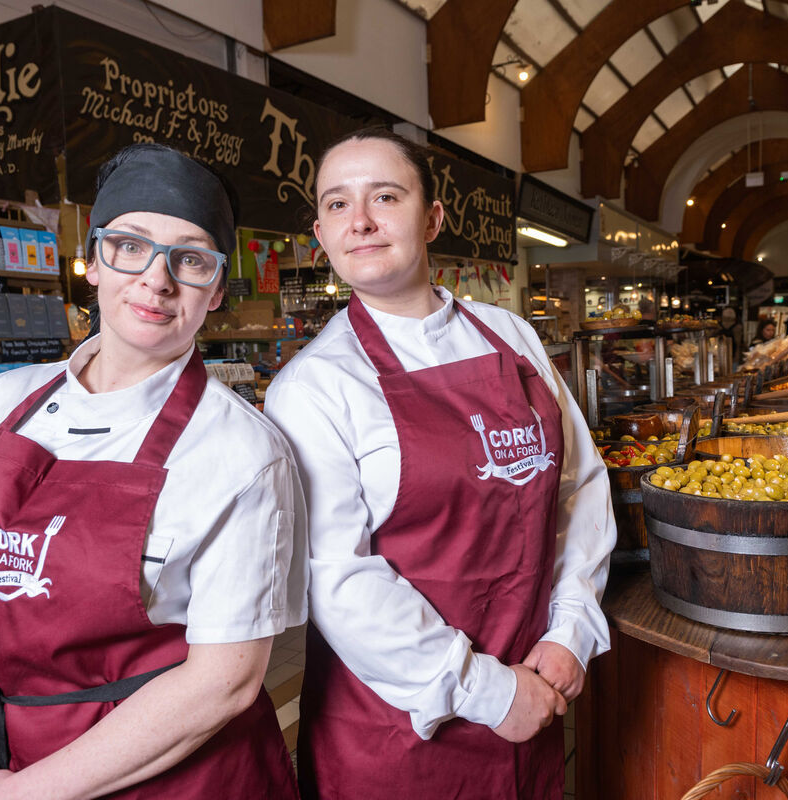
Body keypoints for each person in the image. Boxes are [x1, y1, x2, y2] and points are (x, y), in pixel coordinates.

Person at [0, 144, 307, 800]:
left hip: (176, 778)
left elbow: (224, 682)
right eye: (130, 245)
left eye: (190, 258)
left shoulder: (242, 452)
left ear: (214, 291)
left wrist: (22, 795)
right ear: (93, 262)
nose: (156, 280)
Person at [264, 127, 616, 799]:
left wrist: (571, 628)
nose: (361, 221)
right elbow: (340, 581)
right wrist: (487, 690)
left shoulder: (511, 338)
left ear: (431, 218)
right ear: (320, 230)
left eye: (385, 196)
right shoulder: (313, 388)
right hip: (400, 733)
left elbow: (579, 489)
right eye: (337, 205)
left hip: (537, 689)